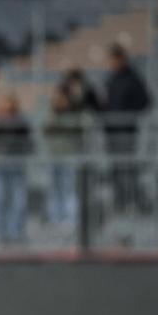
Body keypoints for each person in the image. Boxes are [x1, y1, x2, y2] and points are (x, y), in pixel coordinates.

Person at [44, 68, 98, 227]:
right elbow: (45, 128)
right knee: (55, 189)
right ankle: (56, 219)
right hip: (54, 155)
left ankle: (71, 221)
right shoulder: (52, 112)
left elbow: (85, 125)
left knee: (70, 189)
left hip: (71, 154)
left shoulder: (77, 111)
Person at [101, 44, 152, 213]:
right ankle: (121, 204)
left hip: (127, 133)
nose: (111, 63)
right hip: (112, 133)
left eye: (114, 59)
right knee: (116, 170)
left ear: (121, 59)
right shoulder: (111, 79)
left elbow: (145, 101)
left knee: (128, 170)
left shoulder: (132, 78)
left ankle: (134, 204)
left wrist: (127, 114)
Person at [0, 93, 32, 243]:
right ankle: (1, 232)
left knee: (18, 199)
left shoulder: (20, 121)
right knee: (0, 198)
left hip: (16, 163)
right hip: (0, 164)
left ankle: (16, 231)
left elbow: (27, 140)